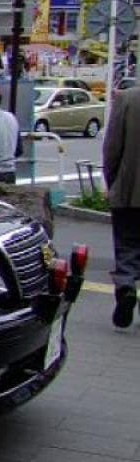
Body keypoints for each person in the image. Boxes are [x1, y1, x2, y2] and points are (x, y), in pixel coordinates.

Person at [103, 82, 139, 328]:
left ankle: (126, 286)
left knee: (127, 243)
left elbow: (112, 149)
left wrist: (113, 182)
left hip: (129, 189)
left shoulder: (127, 99)